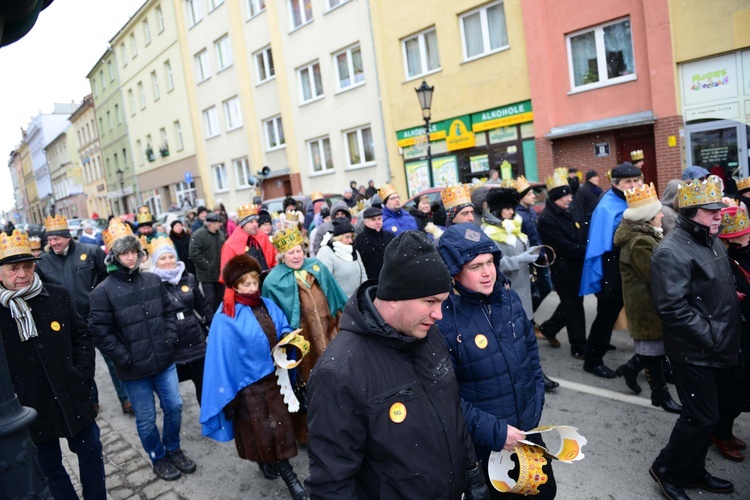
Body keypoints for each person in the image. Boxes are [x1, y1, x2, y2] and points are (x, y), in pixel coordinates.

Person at [305, 230, 488, 499]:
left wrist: (471, 472)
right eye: (430, 302)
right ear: (393, 297)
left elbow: (452, 413)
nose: (439, 314)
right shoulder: (338, 373)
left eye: (442, 302)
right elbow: (332, 484)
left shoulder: (427, 334)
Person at [436, 223, 555, 498]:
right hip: (484, 447)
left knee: (544, 492)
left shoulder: (509, 299)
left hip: (527, 433)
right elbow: (444, 397)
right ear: (453, 272)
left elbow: (530, 356)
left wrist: (534, 401)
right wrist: (496, 432)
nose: (488, 272)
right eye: (476, 266)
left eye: (490, 262)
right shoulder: (443, 322)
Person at [649, 176, 739, 499]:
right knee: (700, 417)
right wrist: (712, 335)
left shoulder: (710, 238)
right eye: (710, 210)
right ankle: (666, 469)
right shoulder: (669, 252)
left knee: (708, 416)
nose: (719, 216)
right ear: (689, 212)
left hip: (717, 346)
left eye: (719, 209)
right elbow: (672, 309)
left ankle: (693, 470)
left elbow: (708, 288)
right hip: (694, 351)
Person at [0, 229, 106, 500]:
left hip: (71, 393)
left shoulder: (57, 296)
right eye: (13, 269)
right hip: (30, 408)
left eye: (27, 266)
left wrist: (81, 375)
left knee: (91, 452)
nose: (22, 274)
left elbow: (82, 335)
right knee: (49, 468)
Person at [89, 219, 197, 481]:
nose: (129, 257)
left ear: (139, 253)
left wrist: (168, 338)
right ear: (115, 256)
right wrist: (124, 358)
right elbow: (100, 332)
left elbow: (169, 311)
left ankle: (173, 448)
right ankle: (157, 456)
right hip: (133, 370)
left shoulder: (152, 280)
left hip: (163, 361)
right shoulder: (102, 292)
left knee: (175, 407)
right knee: (147, 418)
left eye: (133, 252)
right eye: (124, 253)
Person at [201, 254, 308, 499]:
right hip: (247, 386)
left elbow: (282, 325)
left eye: (254, 283)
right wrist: (229, 392)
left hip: (273, 379)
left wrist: (288, 339)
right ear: (235, 286)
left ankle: (269, 461)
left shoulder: (266, 303)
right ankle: (291, 479)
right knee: (264, 431)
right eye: (246, 284)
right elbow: (222, 355)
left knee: (275, 429)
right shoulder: (225, 316)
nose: (252, 288)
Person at [35, 215, 132, 415]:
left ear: (67, 236)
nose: (53, 243)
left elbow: (109, 277)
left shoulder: (90, 252)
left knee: (113, 360)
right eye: (50, 239)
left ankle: (127, 399)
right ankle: (90, 401)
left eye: (56, 239)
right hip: (68, 323)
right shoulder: (43, 262)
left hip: (97, 319)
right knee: (81, 364)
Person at [262, 226, 347, 443]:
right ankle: (309, 435)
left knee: (336, 380)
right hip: (301, 345)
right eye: (290, 252)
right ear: (282, 256)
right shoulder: (274, 281)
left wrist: (341, 323)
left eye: (299, 250)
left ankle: (340, 425)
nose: (296, 255)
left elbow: (336, 296)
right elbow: (271, 318)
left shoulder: (316, 267)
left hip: (329, 334)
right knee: (307, 387)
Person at [613, 183, 681, 413]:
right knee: (653, 350)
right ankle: (660, 395)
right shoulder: (640, 241)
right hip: (645, 305)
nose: (662, 214)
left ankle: (631, 369)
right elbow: (655, 276)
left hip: (648, 302)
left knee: (654, 349)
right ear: (647, 218)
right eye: (657, 212)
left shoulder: (648, 234)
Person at [580, 163, 643, 379]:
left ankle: (600, 345)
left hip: (626, 266)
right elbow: (604, 244)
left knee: (611, 314)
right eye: (628, 182)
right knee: (606, 314)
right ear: (615, 184)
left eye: (637, 180)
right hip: (611, 268)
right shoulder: (608, 206)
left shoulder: (630, 200)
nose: (633, 185)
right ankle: (592, 360)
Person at [151, 236, 214, 406]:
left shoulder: (190, 278)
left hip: (196, 341)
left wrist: (214, 328)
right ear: (155, 262)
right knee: (172, 399)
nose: (168, 261)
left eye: (171, 257)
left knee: (204, 387)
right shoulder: (151, 284)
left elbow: (204, 307)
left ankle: (211, 424)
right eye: (162, 258)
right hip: (172, 345)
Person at [536, 169, 588, 359]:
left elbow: (579, 232)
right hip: (564, 269)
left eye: (570, 194)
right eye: (566, 195)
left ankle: (548, 329)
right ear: (556, 197)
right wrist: (586, 251)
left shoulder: (567, 210)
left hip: (576, 266)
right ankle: (579, 347)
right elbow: (562, 246)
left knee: (572, 304)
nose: (570, 198)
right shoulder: (546, 219)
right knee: (573, 306)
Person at [712, 205, 750, 461]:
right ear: (731, 237)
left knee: (743, 387)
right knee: (734, 387)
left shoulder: (744, 253)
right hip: (737, 335)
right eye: (745, 232)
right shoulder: (724, 262)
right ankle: (721, 433)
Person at [315, 219, 367, 298]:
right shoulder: (326, 252)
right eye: (347, 237)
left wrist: (363, 293)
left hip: (355, 301)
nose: (350, 240)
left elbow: (363, 273)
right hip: (336, 302)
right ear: (338, 238)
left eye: (352, 237)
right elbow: (324, 281)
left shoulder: (353, 251)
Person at [220, 204, 277, 275]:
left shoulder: (263, 237)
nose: (255, 224)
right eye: (251, 222)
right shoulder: (230, 244)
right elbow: (227, 274)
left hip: (266, 280)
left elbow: (275, 259)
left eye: (256, 221)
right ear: (243, 224)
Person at [190, 212, 226, 312]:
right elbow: (194, 254)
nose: (220, 224)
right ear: (211, 224)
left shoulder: (221, 235)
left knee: (221, 298)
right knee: (210, 299)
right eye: (218, 222)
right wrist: (207, 266)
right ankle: (212, 319)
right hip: (206, 275)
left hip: (220, 274)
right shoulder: (198, 235)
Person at [354, 206, 394, 280]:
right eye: (373, 220)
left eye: (379, 219)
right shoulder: (360, 239)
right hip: (372, 279)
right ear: (365, 222)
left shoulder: (389, 236)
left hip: (390, 278)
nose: (377, 222)